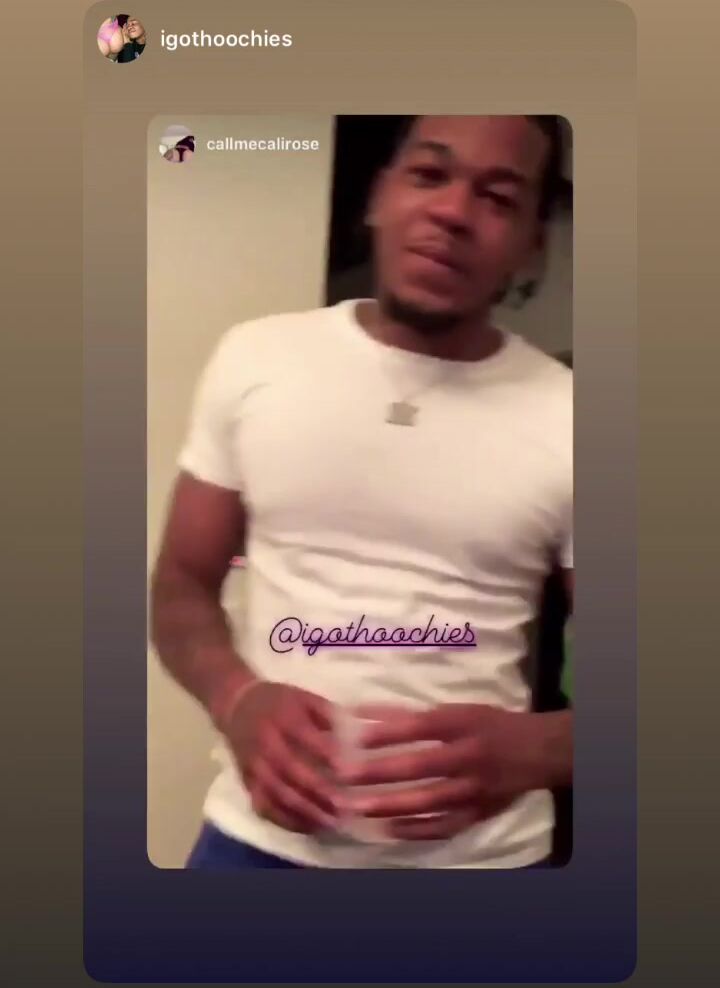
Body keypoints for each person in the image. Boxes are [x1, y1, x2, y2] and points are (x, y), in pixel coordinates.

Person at [150, 114, 574, 869]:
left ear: (531, 244)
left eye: (499, 198)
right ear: (379, 196)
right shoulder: (256, 358)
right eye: (429, 174)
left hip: (484, 871)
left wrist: (544, 747)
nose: (452, 211)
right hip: (255, 852)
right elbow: (182, 585)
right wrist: (237, 699)